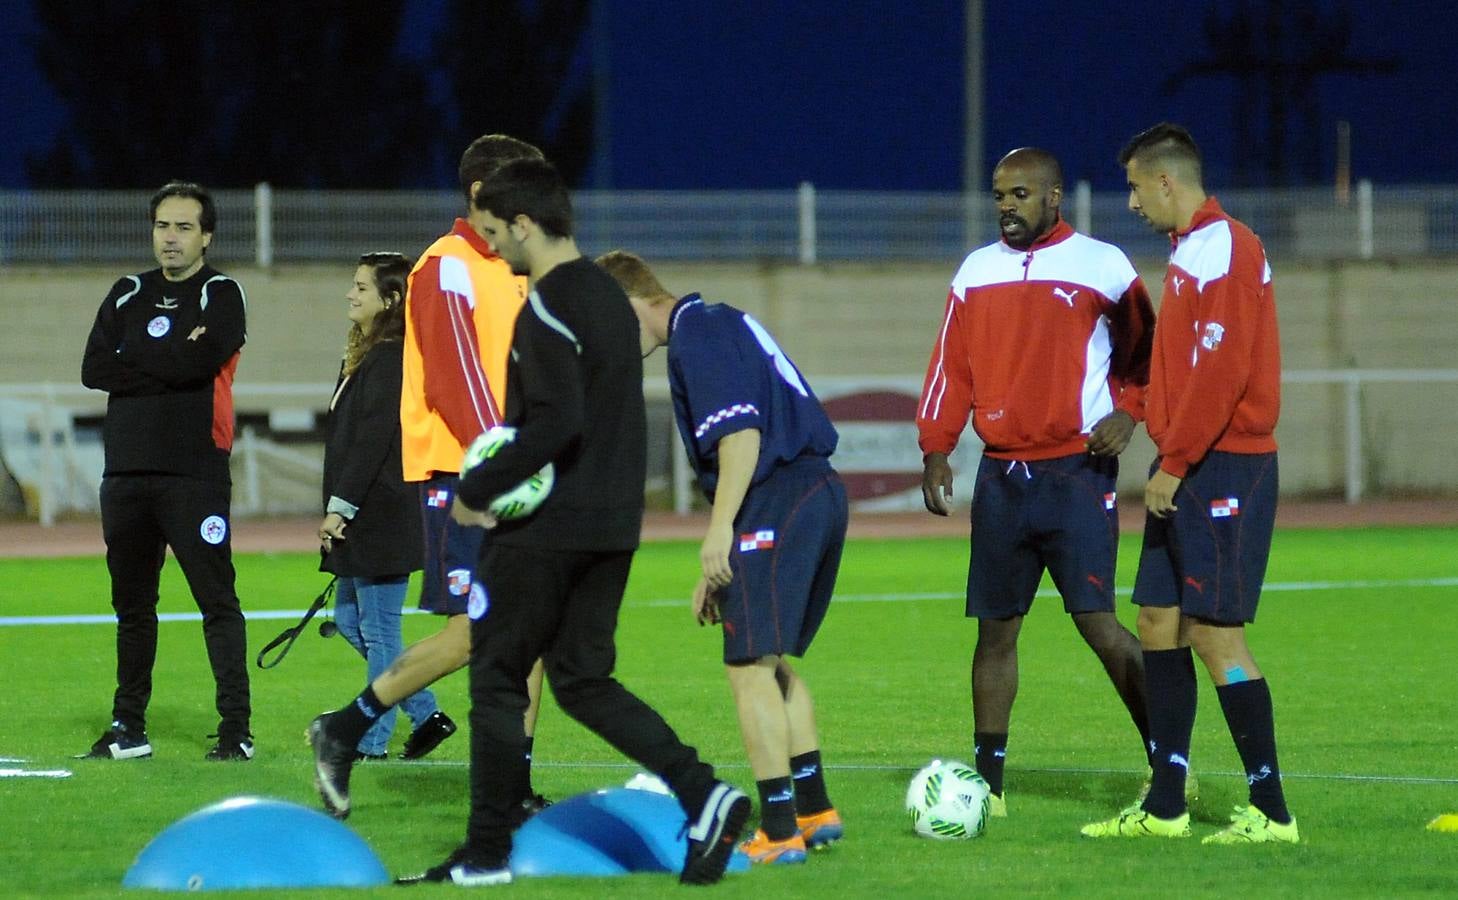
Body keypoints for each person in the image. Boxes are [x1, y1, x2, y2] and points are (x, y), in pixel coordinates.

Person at [398, 159, 749, 886]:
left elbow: (556, 420)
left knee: (495, 673)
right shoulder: (607, 297)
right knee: (584, 680)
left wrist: (479, 485)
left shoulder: (550, 303)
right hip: (614, 525)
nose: (495, 248)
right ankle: (704, 793)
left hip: (549, 528)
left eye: (496, 233)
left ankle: (486, 855)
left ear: (524, 223)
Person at [309, 135, 549, 818]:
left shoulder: (519, 268)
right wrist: (502, 464)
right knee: (478, 634)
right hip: (467, 476)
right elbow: (452, 379)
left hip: (516, 472)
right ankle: (348, 725)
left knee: (528, 633)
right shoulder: (444, 266)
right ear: (480, 192)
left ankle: (512, 787)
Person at [916, 148, 1158, 816]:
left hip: (1077, 474)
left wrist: (1128, 414)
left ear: (1054, 197)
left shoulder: (1103, 264)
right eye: (999, 195)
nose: (1006, 207)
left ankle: (1169, 766)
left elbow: (1147, 357)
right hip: (1002, 480)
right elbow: (950, 368)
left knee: (1099, 625)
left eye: (1019, 194)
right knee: (994, 633)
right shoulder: (976, 271)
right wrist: (937, 445)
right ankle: (986, 787)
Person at [1082, 123, 1297, 844]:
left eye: (1136, 188)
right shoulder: (1191, 253)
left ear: (1166, 180)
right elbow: (1185, 373)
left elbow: (1224, 374)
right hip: (1186, 461)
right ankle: (1166, 805)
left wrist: (1175, 463)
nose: (1134, 204)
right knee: (1158, 623)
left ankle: (1271, 812)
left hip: (1223, 463)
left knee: (1215, 635)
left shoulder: (1228, 247)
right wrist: (1154, 437)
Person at [597, 250, 847, 865]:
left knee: (747, 667)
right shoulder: (717, 319)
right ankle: (813, 809)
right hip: (811, 490)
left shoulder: (695, 334)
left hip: (778, 493)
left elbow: (742, 437)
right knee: (766, 655)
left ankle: (781, 829)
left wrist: (718, 532)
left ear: (630, 305)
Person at [78, 181, 253, 761]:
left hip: (194, 471)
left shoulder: (222, 292)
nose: (170, 237)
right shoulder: (127, 292)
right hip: (125, 473)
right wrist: (173, 358)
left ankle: (236, 731)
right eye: (162, 226)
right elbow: (93, 368)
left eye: (183, 227)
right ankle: (128, 727)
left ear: (207, 236)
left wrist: (137, 359)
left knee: (216, 600)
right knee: (131, 606)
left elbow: (203, 360)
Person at [316, 252, 439, 760]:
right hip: (365, 512)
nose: (351, 294)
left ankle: (370, 742)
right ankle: (426, 710)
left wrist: (340, 507)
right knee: (350, 619)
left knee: (379, 628)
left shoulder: (391, 356)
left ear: (390, 300)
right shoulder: (367, 354)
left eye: (361, 288)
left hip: (381, 512)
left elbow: (371, 439)